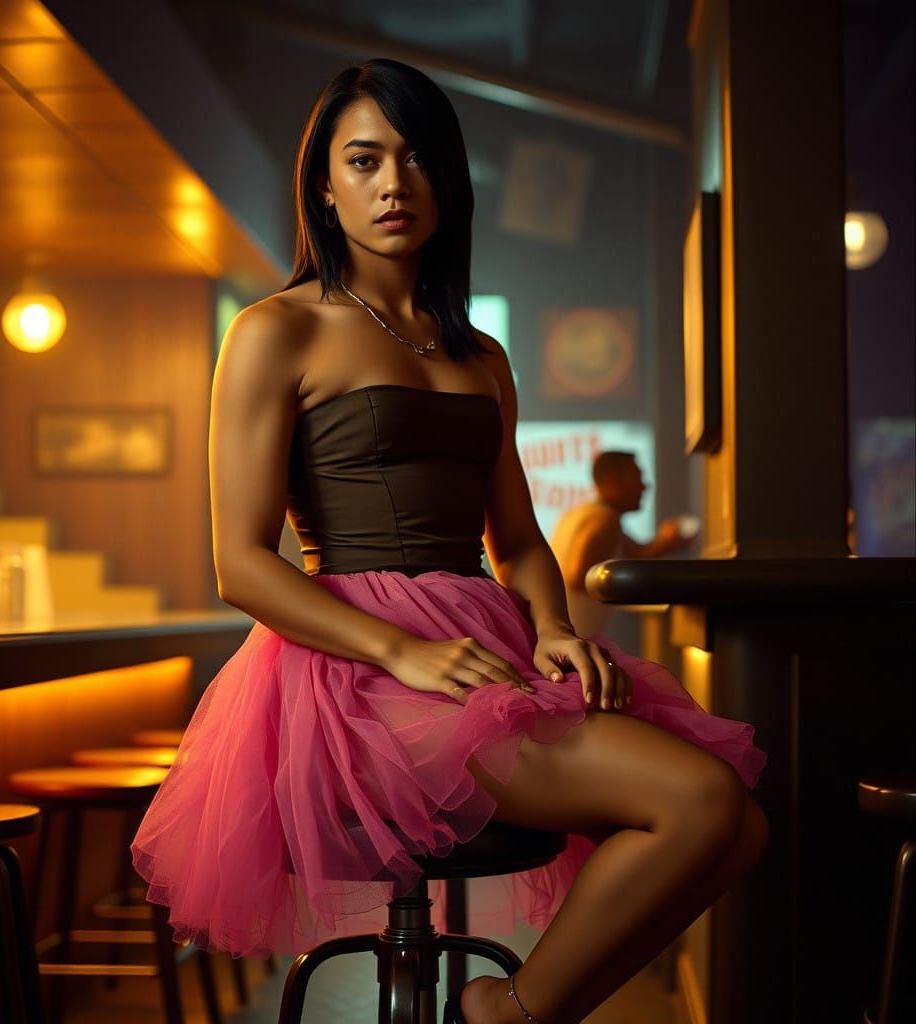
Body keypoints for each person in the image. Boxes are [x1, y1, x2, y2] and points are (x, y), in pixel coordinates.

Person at [131, 59, 768, 1024]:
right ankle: (504, 1013)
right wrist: (406, 651)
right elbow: (241, 563)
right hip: (353, 668)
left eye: (418, 158)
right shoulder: (276, 331)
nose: (395, 183)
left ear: (450, 182)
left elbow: (515, 540)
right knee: (705, 804)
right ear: (325, 184)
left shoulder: (481, 355)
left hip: (479, 641)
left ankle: (515, 1008)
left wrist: (552, 624)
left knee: (742, 827)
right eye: (365, 159)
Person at [550, 451, 696, 638]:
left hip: (567, 637)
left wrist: (666, 542)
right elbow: (577, 576)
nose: (644, 486)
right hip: (574, 639)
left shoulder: (583, 513)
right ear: (613, 482)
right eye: (637, 477)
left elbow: (636, 553)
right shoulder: (605, 520)